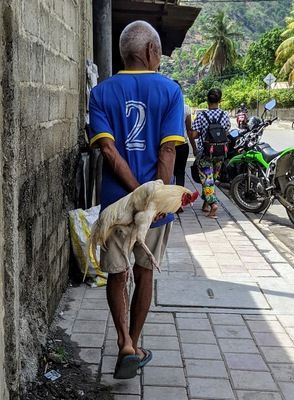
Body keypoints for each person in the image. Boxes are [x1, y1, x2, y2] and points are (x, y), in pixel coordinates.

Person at [89, 21, 184, 379]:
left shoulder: (100, 92)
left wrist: (132, 195)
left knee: (117, 274)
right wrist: (152, 198)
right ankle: (138, 341)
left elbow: (108, 150)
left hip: (115, 205)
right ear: (150, 52)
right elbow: (169, 149)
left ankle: (124, 342)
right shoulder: (170, 91)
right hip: (157, 205)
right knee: (145, 273)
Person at [189, 88, 230, 218]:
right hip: (220, 154)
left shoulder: (201, 116)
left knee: (207, 180)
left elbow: (194, 135)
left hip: (205, 154)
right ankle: (206, 204)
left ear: (207, 100)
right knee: (212, 178)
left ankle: (213, 205)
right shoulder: (224, 115)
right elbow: (226, 132)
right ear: (220, 100)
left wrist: (203, 132)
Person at [173, 81, 192, 213]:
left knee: (168, 174)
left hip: (166, 145)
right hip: (182, 145)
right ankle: (179, 203)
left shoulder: (164, 107)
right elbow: (189, 130)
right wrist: (195, 147)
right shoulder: (186, 108)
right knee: (180, 173)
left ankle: (168, 203)